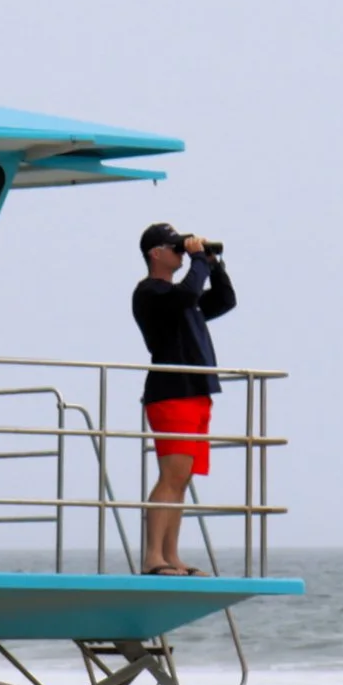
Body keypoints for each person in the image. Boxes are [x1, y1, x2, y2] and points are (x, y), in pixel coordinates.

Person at [130, 221, 236, 576]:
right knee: (171, 475)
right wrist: (197, 263)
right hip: (171, 393)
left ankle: (171, 556)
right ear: (154, 254)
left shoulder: (180, 298)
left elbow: (224, 300)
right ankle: (152, 558)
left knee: (182, 478)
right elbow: (188, 295)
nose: (179, 251)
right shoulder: (150, 293)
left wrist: (212, 263)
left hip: (195, 391)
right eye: (172, 246)